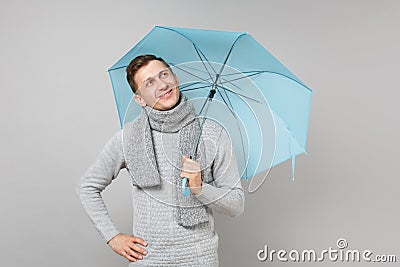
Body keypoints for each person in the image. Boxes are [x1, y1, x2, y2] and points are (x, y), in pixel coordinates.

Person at [77, 54, 245, 266]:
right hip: (148, 261)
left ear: (175, 78)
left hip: (200, 260)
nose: (162, 85)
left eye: (164, 75)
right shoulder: (128, 137)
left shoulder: (212, 133)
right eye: (149, 83)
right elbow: (88, 187)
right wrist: (112, 237)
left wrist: (200, 188)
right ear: (139, 99)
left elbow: (236, 205)